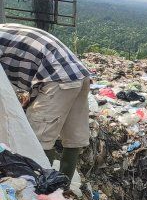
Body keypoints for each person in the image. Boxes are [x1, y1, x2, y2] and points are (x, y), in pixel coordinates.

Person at [0, 24, 91, 181]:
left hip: (56, 78)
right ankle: (63, 187)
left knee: (37, 139)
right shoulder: (5, 30)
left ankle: (41, 189)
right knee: (73, 137)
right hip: (78, 74)